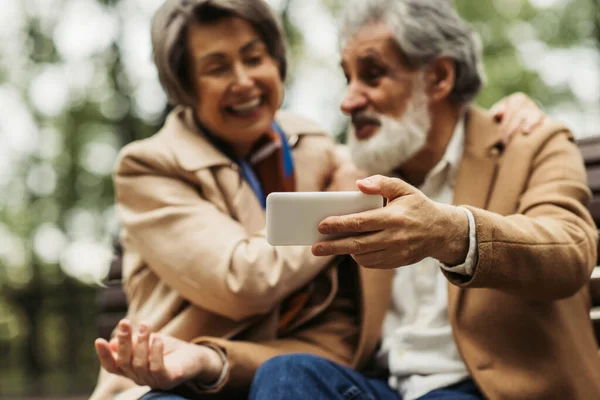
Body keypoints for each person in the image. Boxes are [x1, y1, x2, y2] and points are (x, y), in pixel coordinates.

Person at [91, 0, 548, 399]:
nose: (245, 80)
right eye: (217, 68)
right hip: (177, 377)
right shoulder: (149, 166)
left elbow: (419, 133)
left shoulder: (314, 146)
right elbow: (242, 279)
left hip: (287, 369)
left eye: (255, 58)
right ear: (186, 88)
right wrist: (343, 187)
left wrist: (499, 111)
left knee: (287, 379)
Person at [249, 0, 600, 399]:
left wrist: (451, 233)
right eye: (348, 78)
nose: (348, 102)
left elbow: (571, 250)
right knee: (286, 375)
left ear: (439, 77)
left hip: (488, 389)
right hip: (385, 387)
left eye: (372, 75)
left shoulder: (533, 143)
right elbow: (342, 331)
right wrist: (215, 361)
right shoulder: (363, 179)